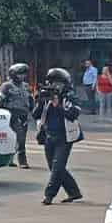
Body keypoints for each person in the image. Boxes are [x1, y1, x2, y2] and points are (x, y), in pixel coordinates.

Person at [32, 68, 84, 205]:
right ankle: (74, 192)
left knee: (57, 166)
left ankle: (49, 195)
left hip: (65, 136)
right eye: (53, 84)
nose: (55, 87)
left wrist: (58, 105)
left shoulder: (70, 97)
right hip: (49, 135)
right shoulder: (46, 96)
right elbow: (35, 115)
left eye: (58, 84)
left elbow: (74, 115)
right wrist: (40, 100)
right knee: (55, 167)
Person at [0, 63, 32, 169]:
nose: (22, 76)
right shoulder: (6, 86)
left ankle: (10, 159)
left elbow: (29, 99)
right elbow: (0, 100)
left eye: (23, 74)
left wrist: (31, 110)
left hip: (24, 114)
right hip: (12, 114)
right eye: (20, 74)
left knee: (22, 138)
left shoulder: (25, 86)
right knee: (18, 137)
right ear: (13, 74)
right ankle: (22, 161)